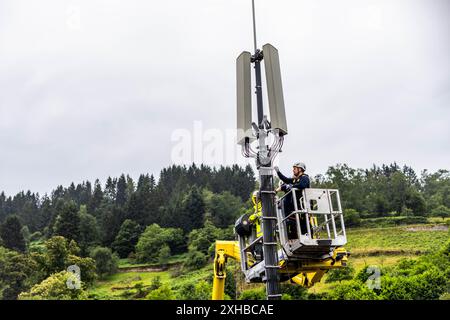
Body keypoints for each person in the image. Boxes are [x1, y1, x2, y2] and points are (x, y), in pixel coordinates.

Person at [274, 162, 310, 239]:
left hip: (302, 206)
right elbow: (286, 180)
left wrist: (292, 186)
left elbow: (302, 185)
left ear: (300, 169)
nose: (293, 170)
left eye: (295, 169)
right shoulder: (295, 180)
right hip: (295, 207)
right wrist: (278, 172)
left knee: (304, 225)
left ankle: (306, 236)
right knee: (294, 223)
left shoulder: (304, 178)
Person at [248, 191, 263, 261]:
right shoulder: (256, 209)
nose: (257, 200)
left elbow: (260, 214)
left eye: (258, 199)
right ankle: (259, 259)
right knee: (255, 246)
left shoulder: (265, 206)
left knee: (260, 247)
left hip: (265, 233)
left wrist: (254, 216)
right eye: (256, 199)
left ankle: (260, 259)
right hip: (260, 234)